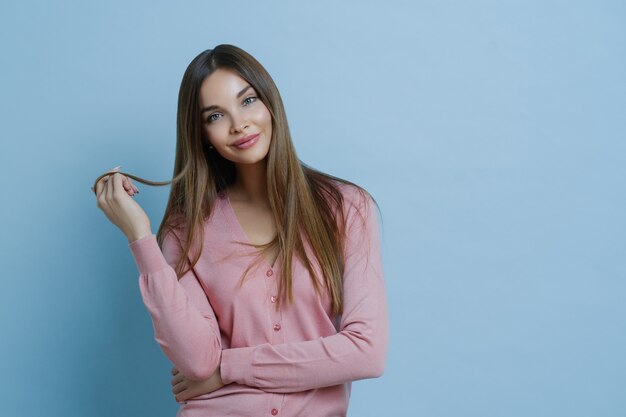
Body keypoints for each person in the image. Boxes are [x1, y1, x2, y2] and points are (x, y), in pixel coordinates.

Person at [92, 44, 387, 417]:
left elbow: (367, 352)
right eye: (216, 115)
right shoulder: (186, 229)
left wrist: (229, 368)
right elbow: (198, 364)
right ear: (201, 135)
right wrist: (140, 238)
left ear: (270, 102)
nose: (239, 124)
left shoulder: (346, 207)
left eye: (248, 101)